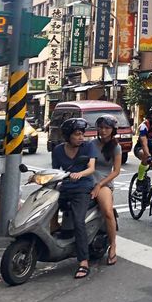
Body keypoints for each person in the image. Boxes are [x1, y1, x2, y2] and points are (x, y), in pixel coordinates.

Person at [51, 118, 99, 279]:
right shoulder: (58, 150)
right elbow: (55, 172)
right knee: (46, 208)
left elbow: (91, 168)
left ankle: (83, 261)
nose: (81, 137)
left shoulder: (88, 146)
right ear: (67, 136)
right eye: (77, 134)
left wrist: (79, 174)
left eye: (82, 134)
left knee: (79, 221)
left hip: (82, 188)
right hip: (64, 187)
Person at [91, 114, 121, 266]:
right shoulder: (92, 144)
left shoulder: (116, 147)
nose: (103, 131)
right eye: (101, 127)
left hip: (103, 183)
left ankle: (113, 245)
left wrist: (100, 184)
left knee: (108, 212)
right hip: (87, 181)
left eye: (107, 128)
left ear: (113, 130)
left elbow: (116, 171)